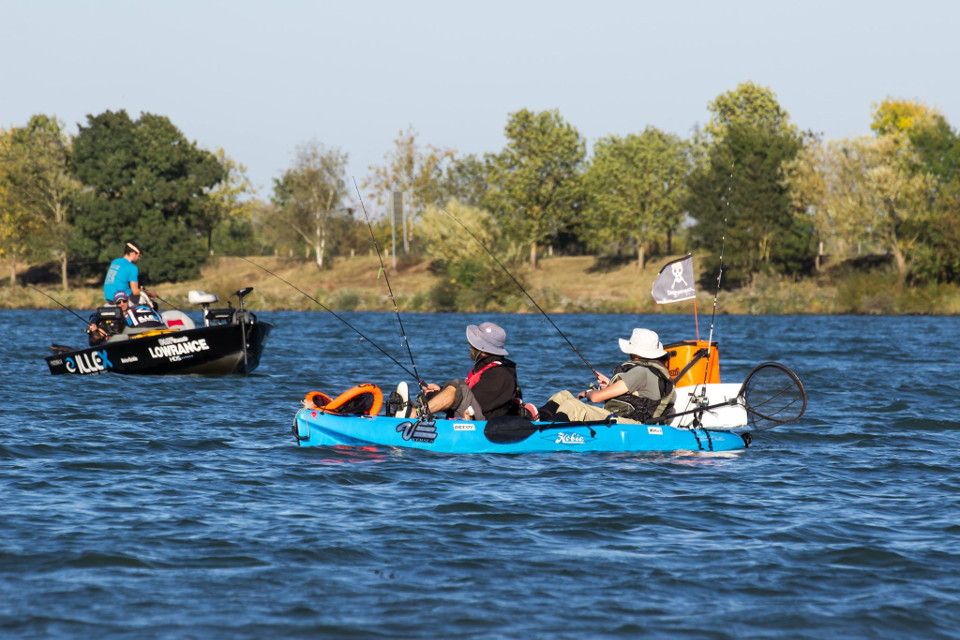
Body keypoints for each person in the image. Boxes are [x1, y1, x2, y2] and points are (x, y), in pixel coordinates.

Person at [537, 328, 676, 424]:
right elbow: (637, 395)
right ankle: (536, 419)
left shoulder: (641, 372)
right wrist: (610, 385)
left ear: (635, 353)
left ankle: (545, 430)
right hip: (630, 419)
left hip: (634, 425)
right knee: (564, 395)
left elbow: (596, 397)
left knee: (573, 406)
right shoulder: (651, 371)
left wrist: (588, 393)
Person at [396, 322, 524, 421]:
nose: (470, 347)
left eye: (472, 345)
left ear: (482, 350)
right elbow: (470, 397)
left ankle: (415, 413)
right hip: (474, 414)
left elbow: (476, 402)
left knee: (459, 386)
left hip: (484, 425)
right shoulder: (488, 368)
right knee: (457, 388)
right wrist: (439, 392)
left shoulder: (501, 374)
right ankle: (407, 411)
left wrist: (443, 398)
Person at [103, 240, 157, 304]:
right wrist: (150, 293)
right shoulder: (132, 267)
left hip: (109, 298)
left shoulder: (115, 262)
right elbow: (135, 291)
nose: (138, 258)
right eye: (138, 255)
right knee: (152, 304)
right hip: (122, 299)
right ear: (133, 254)